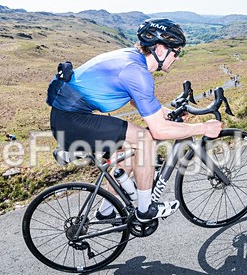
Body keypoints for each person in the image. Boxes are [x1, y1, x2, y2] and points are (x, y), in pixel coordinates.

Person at [47, 18, 223, 222]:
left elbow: (135, 99)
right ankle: (145, 210)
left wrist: (163, 112)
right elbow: (158, 132)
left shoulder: (132, 58)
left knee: (131, 150)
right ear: (160, 49)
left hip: (66, 118)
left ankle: (106, 211)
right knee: (145, 140)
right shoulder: (137, 73)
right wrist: (202, 128)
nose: (177, 58)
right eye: (176, 52)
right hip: (73, 121)